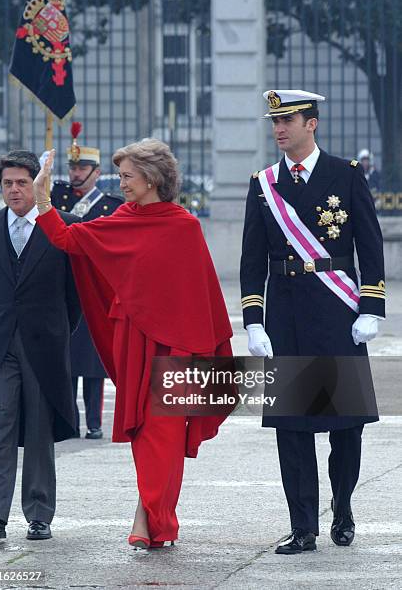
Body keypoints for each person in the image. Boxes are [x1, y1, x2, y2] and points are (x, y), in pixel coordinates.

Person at [33, 138, 233, 549]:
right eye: (120, 175)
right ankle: (152, 515)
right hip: (134, 342)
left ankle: (153, 517)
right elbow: (69, 241)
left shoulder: (185, 227)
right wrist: (42, 199)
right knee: (144, 430)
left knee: (166, 433)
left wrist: (203, 354)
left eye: (127, 176)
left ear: (152, 178)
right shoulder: (122, 218)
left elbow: (202, 298)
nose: (121, 183)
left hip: (178, 346)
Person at [240, 90, 385, 554]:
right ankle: (303, 526)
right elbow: (251, 258)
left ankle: (342, 509)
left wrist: (371, 307)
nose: (279, 129)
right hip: (287, 317)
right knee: (292, 429)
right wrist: (254, 319)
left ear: (312, 124)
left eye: (289, 120)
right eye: (275, 122)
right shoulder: (263, 183)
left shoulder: (345, 175)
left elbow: (370, 244)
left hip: (337, 313)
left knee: (346, 427)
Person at [0, 150, 81, 541]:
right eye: (8, 183)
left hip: (45, 345)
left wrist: (55, 330)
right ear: (0, 187)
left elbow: (76, 294)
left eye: (22, 183)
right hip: (0, 344)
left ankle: (40, 515)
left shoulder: (65, 226)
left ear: (39, 185)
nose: (15, 190)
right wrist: (3, 318)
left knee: (39, 428)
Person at [51, 123, 123, 439]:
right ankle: (68, 418)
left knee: (93, 364)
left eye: (82, 167)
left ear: (96, 172)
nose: (76, 172)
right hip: (63, 286)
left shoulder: (111, 205)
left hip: (93, 288)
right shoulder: (56, 198)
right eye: (72, 166)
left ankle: (94, 422)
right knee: (64, 361)